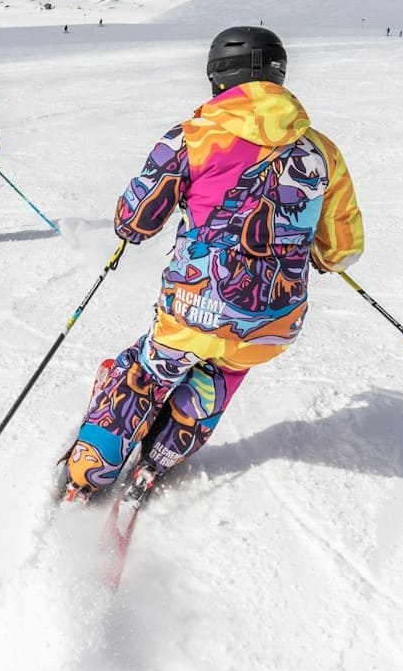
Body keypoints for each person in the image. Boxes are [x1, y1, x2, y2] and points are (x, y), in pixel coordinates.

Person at [61, 26, 363, 504]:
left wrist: (127, 230)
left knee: (148, 371)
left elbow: (136, 219)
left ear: (219, 76)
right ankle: (159, 458)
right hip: (274, 320)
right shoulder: (320, 150)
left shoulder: (193, 138)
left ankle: (89, 471)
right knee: (220, 373)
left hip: (193, 305)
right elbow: (340, 247)